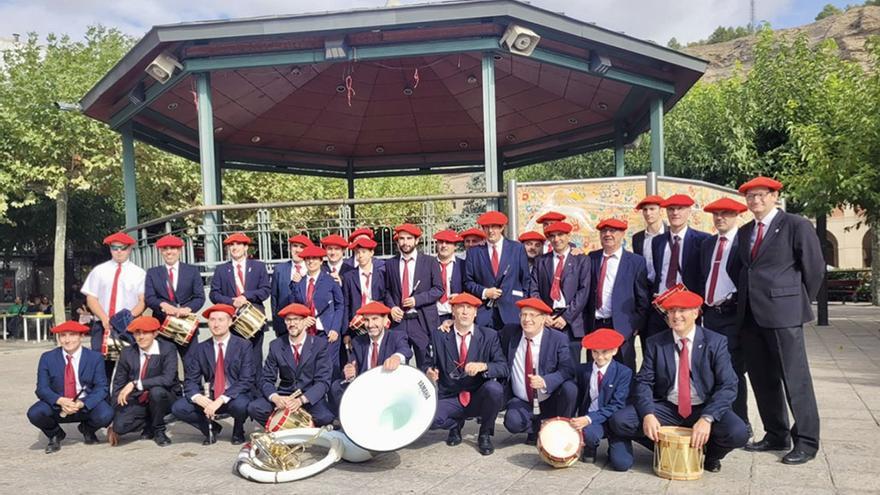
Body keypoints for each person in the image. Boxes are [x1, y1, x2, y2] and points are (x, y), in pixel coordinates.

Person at [607, 290, 749, 473]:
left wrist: (707, 418)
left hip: (701, 406)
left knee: (738, 432)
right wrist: (648, 414)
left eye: (682, 310)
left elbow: (728, 385)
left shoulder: (715, 342)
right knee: (620, 420)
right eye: (672, 311)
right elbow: (644, 382)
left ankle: (710, 455)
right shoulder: (656, 343)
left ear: (695, 313)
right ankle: (667, 447)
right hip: (669, 407)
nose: (676, 316)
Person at [736, 176, 824, 465]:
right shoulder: (745, 230)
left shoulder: (795, 225)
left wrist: (794, 301)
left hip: (783, 314)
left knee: (795, 379)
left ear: (775, 196)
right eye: (750, 196)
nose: (755, 201)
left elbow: (814, 268)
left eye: (761, 195)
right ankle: (776, 434)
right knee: (763, 379)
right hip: (751, 315)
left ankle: (807, 442)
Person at [424, 293, 508, 455]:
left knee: (495, 389)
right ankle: (455, 424)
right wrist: (429, 372)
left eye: (469, 308)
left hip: (477, 395)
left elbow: (503, 367)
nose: (464, 312)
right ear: (452, 311)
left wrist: (483, 366)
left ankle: (484, 433)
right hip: (451, 395)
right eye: (460, 307)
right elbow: (427, 363)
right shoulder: (439, 335)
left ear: (475, 313)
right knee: (432, 420)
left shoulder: (489, 336)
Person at [172, 304, 255, 445]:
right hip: (210, 394)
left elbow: (246, 380)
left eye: (221, 320)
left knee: (242, 405)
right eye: (212, 320)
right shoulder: (201, 348)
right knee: (179, 408)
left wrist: (221, 399)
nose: (216, 324)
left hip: (234, 395)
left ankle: (238, 429)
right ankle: (211, 429)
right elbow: (190, 379)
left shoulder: (244, 345)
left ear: (230, 322)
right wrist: (197, 397)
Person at [699, 198, 749, 429]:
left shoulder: (743, 242)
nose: (720, 218)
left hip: (732, 314)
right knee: (709, 367)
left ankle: (740, 420)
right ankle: (714, 416)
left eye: (726, 214)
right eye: (716, 214)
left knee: (732, 370)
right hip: (710, 314)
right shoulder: (708, 244)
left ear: (737, 215)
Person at [27, 321, 113, 454]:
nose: (67, 340)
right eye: (62, 336)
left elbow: (101, 388)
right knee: (35, 413)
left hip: (84, 404)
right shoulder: (47, 358)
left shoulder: (95, 358)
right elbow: (42, 389)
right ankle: (55, 434)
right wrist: (60, 400)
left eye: (72, 335)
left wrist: (82, 403)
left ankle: (87, 429)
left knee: (106, 414)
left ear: (81, 336)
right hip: (59, 403)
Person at [500, 297, 577, 444]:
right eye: (523, 314)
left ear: (543, 319)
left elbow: (567, 369)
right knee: (512, 422)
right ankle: (535, 428)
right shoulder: (510, 333)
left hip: (548, 398)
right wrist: (453, 324)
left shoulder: (558, 339)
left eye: (532, 315)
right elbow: (486, 337)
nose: (526, 319)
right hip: (522, 399)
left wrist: (546, 381)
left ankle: (562, 428)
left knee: (570, 389)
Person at [248, 303, 335, 428]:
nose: (292, 324)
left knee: (325, 417)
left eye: (296, 320)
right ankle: (285, 430)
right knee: (254, 408)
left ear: (305, 321)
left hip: (308, 397)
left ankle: (302, 427)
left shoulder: (320, 345)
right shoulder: (276, 345)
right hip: (284, 396)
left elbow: (323, 381)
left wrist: (301, 400)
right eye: (288, 320)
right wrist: (275, 398)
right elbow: (266, 379)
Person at [584, 218, 650, 370]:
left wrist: (635, 325)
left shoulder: (635, 262)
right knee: (595, 368)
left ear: (622, 234)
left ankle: (627, 395)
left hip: (622, 326)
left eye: (613, 231)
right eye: (604, 231)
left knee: (625, 367)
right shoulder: (591, 258)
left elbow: (642, 298)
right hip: (596, 324)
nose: (607, 234)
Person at [645, 195, 710, 346]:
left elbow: (703, 276)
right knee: (659, 350)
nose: (675, 213)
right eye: (671, 209)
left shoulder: (702, 240)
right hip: (661, 306)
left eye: (680, 209)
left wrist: (699, 306)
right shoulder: (658, 241)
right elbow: (659, 272)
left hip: (686, 307)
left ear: (689, 211)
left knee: (687, 349)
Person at [81, 232, 146, 382]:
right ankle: (102, 400)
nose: (118, 252)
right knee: (101, 368)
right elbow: (91, 298)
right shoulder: (99, 271)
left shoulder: (139, 273)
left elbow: (143, 301)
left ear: (130, 249)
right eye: (115, 248)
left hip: (128, 326)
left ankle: (126, 401)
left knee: (130, 366)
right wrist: (104, 318)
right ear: (110, 249)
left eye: (123, 248)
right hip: (102, 325)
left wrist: (126, 318)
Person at [328, 301, 412, 415]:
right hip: (366, 389)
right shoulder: (358, 341)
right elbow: (351, 364)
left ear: (385, 319)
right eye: (367, 320)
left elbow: (405, 350)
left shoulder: (396, 336)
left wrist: (396, 357)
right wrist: (349, 370)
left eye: (375, 319)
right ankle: (351, 418)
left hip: (388, 389)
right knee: (336, 386)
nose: (370, 324)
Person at [107, 316, 178, 447]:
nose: (140, 337)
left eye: (145, 332)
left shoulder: (168, 349)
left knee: (156, 392)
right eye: (137, 333)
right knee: (120, 427)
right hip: (139, 398)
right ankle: (149, 422)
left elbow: (168, 379)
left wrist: (135, 383)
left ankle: (159, 430)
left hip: (164, 396)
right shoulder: (127, 352)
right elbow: (118, 384)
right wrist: (113, 420)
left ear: (155, 333)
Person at [529, 221, 591, 364]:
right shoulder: (541, 261)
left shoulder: (581, 260)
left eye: (560, 235)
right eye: (553, 236)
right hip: (547, 320)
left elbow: (584, 291)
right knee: (548, 365)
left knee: (571, 367)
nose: (557, 239)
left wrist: (566, 318)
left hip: (572, 323)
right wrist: (543, 314)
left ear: (568, 236)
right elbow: (534, 289)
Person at [383, 223, 443, 367]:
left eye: (409, 238)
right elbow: (386, 291)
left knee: (426, 364)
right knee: (397, 364)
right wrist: (391, 307)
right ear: (397, 241)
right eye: (402, 239)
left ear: (416, 240)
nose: (405, 242)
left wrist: (417, 300)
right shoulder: (390, 263)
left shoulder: (430, 261)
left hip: (421, 320)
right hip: (399, 321)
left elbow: (438, 289)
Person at [570, 328, 632, 463]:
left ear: (614, 351)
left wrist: (588, 418)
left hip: (615, 421)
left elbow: (618, 404)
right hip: (592, 421)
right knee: (590, 434)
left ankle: (614, 447)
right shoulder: (582, 370)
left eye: (605, 352)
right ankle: (590, 446)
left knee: (622, 464)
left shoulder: (624, 372)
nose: (599, 357)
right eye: (595, 352)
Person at [209, 232, 271, 366]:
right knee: (234, 359)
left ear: (246, 247)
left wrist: (246, 296)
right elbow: (214, 294)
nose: (234, 247)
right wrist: (232, 302)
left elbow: (265, 291)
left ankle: (256, 387)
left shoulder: (258, 267)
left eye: (238, 244)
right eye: (231, 245)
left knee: (255, 358)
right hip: (231, 320)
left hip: (253, 319)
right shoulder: (221, 269)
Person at [144, 234, 206, 361]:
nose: (169, 252)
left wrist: (188, 308)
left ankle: (192, 382)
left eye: (173, 248)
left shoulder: (192, 271)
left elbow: (200, 297)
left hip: (186, 323)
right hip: (162, 325)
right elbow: (150, 297)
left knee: (192, 364)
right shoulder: (152, 273)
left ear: (179, 250)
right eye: (165, 249)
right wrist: (162, 305)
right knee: (165, 365)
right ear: (161, 251)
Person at [464, 211, 529, 329]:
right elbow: (468, 282)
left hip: (512, 312)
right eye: (486, 227)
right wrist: (484, 292)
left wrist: (521, 302)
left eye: (494, 227)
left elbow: (525, 280)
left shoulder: (517, 249)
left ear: (502, 228)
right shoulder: (474, 253)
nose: (490, 231)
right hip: (484, 314)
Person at [291, 245, 344, 378]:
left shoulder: (330, 280)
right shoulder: (299, 282)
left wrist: (335, 328)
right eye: (308, 259)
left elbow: (340, 305)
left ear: (321, 261)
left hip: (327, 332)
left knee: (330, 370)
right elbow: (295, 307)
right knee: (310, 369)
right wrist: (303, 320)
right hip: (307, 333)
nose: (311, 261)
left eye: (314, 258)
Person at [341, 236, 386, 339]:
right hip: (356, 323)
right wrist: (346, 333)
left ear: (371, 253)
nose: (360, 255)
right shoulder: (349, 276)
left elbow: (385, 297)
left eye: (364, 252)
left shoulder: (381, 274)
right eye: (357, 252)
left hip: (377, 320)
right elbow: (346, 305)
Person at [271, 233, 313, 340]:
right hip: (284, 326)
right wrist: (277, 325)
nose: (298, 250)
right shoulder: (279, 269)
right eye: (295, 246)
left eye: (302, 247)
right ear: (290, 248)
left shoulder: (313, 268)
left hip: (308, 325)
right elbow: (274, 298)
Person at [631, 195, 667, 283]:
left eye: (652, 209)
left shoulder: (671, 234)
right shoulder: (637, 238)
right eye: (645, 210)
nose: (648, 213)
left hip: (667, 287)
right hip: (645, 287)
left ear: (661, 211)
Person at [434, 229, 465, 324]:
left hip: (455, 315)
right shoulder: (428, 264)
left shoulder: (463, 265)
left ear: (455, 246)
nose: (444, 245)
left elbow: (470, 288)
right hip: (433, 315)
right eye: (440, 242)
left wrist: (461, 297)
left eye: (448, 242)